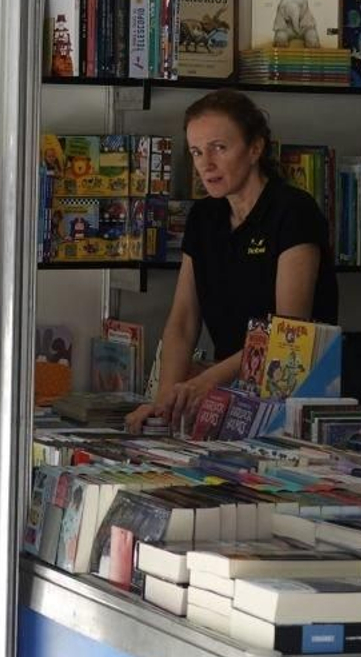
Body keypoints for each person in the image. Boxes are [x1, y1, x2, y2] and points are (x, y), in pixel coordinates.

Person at [126, 89, 339, 432]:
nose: (205, 164)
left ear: (255, 148)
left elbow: (288, 331)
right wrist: (165, 404)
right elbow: (183, 321)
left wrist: (203, 382)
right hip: (229, 401)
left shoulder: (292, 211)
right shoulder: (205, 217)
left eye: (219, 148)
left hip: (292, 401)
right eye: (196, 151)